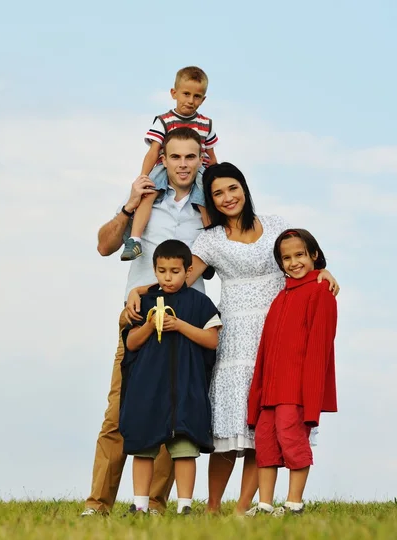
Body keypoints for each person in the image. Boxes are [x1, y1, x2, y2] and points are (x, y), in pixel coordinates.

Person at [124, 162, 340, 515]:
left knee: (262, 427)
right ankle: (211, 508)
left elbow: (303, 254)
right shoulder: (209, 239)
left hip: (276, 330)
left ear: (244, 188)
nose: (227, 198)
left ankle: (242, 509)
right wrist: (141, 289)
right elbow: (178, 275)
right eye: (217, 193)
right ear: (210, 199)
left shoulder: (276, 224)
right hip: (235, 334)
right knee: (228, 428)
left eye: (232, 188)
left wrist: (323, 270)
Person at [81, 127, 211, 517]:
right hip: (138, 319)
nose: (183, 164)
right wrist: (127, 207)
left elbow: (202, 265)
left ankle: (154, 504)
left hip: (186, 320)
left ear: (200, 159)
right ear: (163, 160)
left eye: (191, 157)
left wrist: (154, 286)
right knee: (119, 412)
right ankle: (98, 503)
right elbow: (104, 246)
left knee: (176, 417)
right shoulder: (144, 198)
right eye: (175, 157)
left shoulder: (208, 211)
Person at [119, 240, 222, 515]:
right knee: (143, 447)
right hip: (148, 387)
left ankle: (184, 506)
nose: (168, 277)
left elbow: (212, 340)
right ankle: (140, 505)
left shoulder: (200, 302)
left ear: (188, 271)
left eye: (175, 271)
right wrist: (151, 325)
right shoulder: (144, 302)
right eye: (162, 270)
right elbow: (131, 343)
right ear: (154, 270)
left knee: (185, 448)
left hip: (185, 387)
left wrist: (179, 325)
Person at [245, 229, 338, 517]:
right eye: (286, 258)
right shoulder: (281, 297)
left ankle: (294, 504)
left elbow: (320, 348)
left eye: (300, 255)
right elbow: (265, 350)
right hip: (271, 390)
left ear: (314, 255)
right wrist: (258, 393)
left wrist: (310, 398)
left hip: (296, 390)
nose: (294, 262)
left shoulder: (321, 292)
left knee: (292, 439)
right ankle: (264, 505)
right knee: (265, 442)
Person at [120, 66, 219, 262]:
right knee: (148, 195)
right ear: (174, 93)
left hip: (196, 170)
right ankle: (135, 240)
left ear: (203, 99)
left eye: (197, 96)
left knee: (204, 202)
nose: (191, 101)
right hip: (165, 167)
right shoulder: (164, 121)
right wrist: (144, 177)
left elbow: (211, 155)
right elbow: (154, 151)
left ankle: (211, 248)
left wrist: (215, 178)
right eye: (186, 94)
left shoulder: (206, 124)